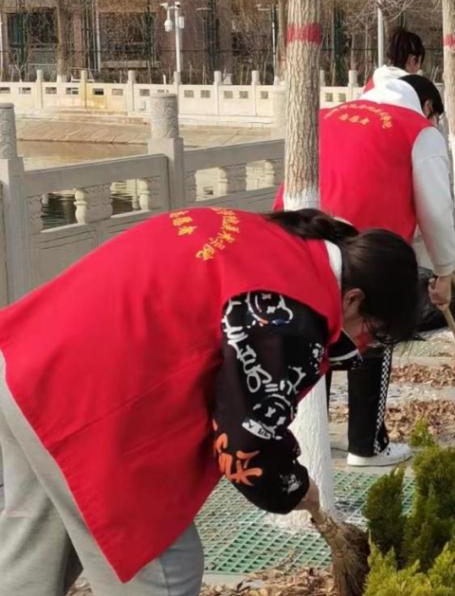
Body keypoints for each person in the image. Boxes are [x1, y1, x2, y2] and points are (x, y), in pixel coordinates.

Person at [0, 207, 419, 596]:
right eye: (370, 330)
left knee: (34, 551)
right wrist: (291, 486)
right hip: (81, 404)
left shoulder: (281, 241)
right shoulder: (292, 311)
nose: (361, 343)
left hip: (26, 356)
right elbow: (244, 443)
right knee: (168, 572)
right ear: (354, 298)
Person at [273, 72, 455, 467]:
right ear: (427, 107)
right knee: (374, 331)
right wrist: (445, 272)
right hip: (368, 249)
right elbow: (437, 209)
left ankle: (308, 445)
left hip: (297, 239)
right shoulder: (417, 130)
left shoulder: (326, 115)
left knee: (313, 335)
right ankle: (366, 445)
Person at [363, 27, 425, 92]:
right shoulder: (412, 88)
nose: (419, 68)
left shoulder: (374, 81)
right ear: (413, 60)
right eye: (420, 62)